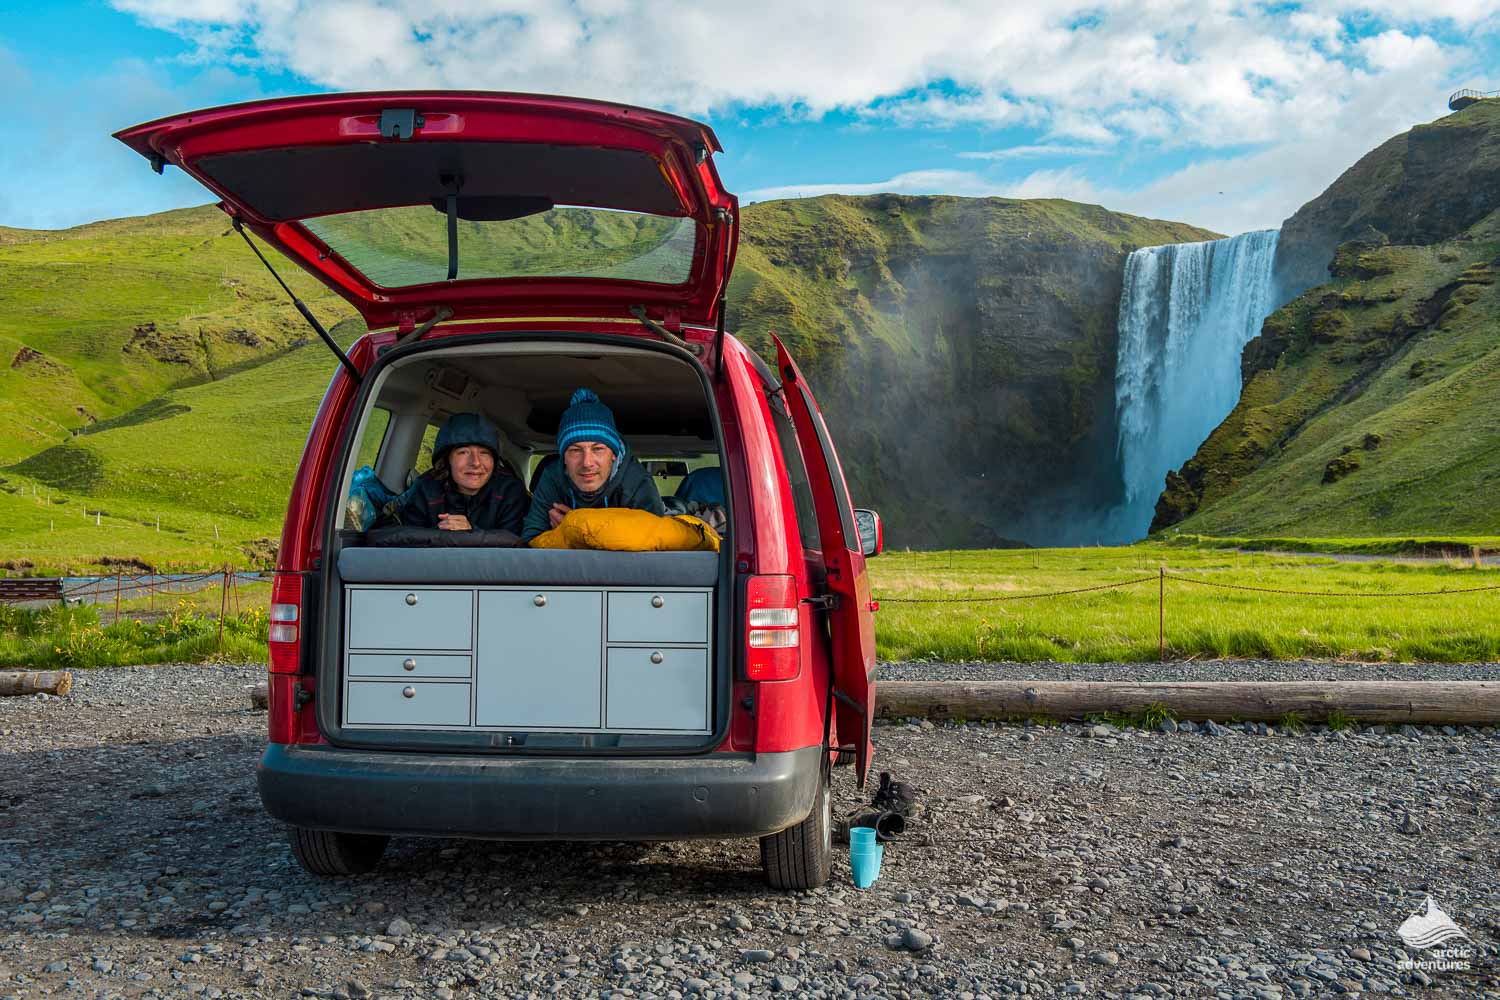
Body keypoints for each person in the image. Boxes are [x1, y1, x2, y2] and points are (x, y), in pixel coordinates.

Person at [521, 388, 664, 542]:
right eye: (575, 450)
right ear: (564, 458)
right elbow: (530, 539)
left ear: (613, 455)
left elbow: (653, 547)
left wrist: (574, 528)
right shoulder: (553, 477)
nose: (587, 462)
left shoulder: (637, 481)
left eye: (598, 449)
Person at [379, 412, 527, 534]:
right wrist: (441, 533)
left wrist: (471, 532)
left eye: (484, 453)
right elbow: (406, 541)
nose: (475, 462)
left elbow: (513, 547)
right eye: (463, 452)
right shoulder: (425, 489)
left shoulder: (510, 491)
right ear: (446, 460)